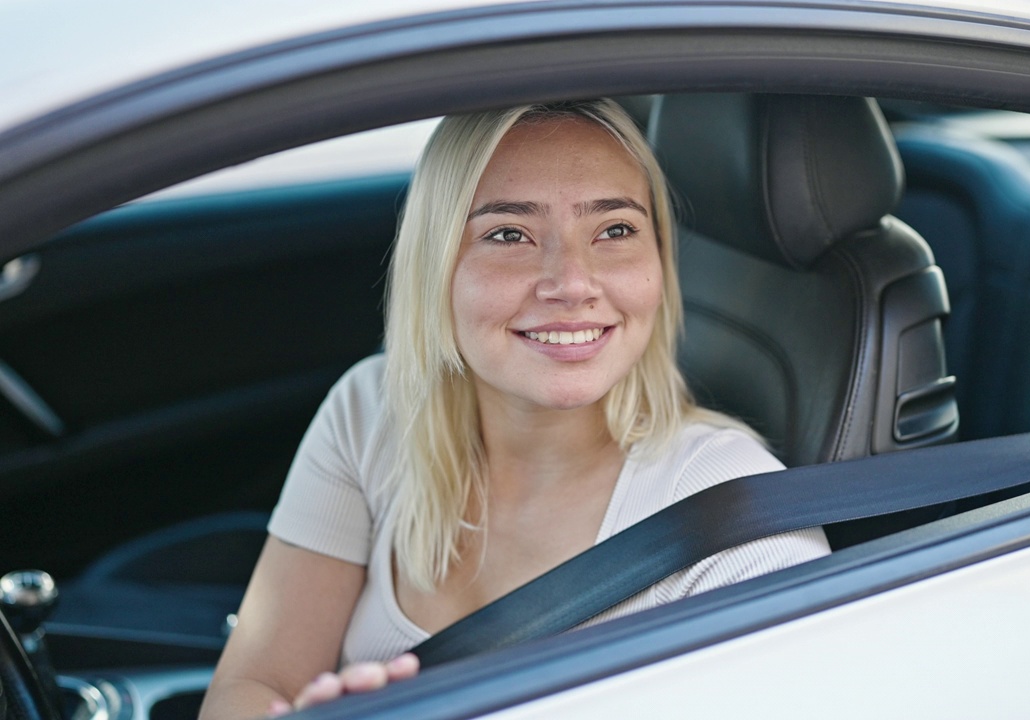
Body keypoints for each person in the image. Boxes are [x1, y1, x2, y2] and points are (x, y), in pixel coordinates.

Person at [198, 99, 830, 720]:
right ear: (436, 264)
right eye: (509, 234)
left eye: (614, 230)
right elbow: (255, 680)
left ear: (660, 260)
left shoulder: (741, 530)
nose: (573, 283)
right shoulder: (371, 412)